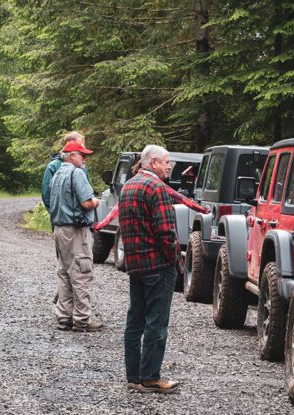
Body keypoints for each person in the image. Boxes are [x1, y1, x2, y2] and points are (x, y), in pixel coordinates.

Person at [119, 144, 182, 394]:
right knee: (157, 322)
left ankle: (133, 376)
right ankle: (151, 377)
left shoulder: (129, 186)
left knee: (135, 320)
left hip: (136, 265)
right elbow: (166, 232)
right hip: (158, 265)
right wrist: (176, 262)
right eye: (167, 162)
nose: (169, 166)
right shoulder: (156, 187)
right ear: (153, 162)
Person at [48, 140, 103, 332]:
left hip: (59, 229)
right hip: (76, 230)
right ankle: (82, 319)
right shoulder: (76, 173)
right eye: (82, 155)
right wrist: (97, 201)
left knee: (64, 272)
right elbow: (87, 203)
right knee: (81, 272)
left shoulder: (57, 174)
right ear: (72, 155)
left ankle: (64, 317)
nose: (84, 159)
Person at [41, 131, 86, 210]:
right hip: (62, 219)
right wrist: (59, 214)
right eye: (81, 145)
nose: (84, 148)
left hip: (82, 217)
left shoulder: (81, 166)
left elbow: (86, 192)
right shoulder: (53, 166)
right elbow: (47, 196)